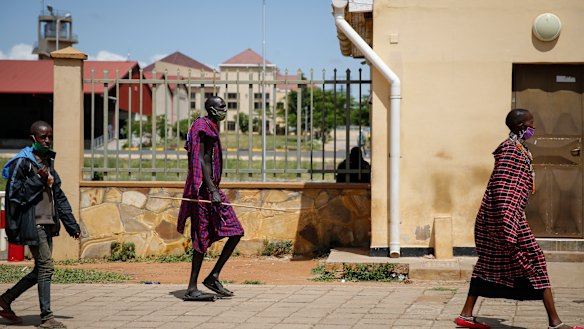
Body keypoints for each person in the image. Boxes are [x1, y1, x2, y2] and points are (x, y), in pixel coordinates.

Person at [455, 109, 583, 329]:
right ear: (521, 127)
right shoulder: (510, 151)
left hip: (506, 217)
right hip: (503, 218)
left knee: (487, 264)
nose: (534, 128)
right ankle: (555, 323)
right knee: (537, 260)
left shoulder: (520, 150)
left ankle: (466, 315)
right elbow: (502, 190)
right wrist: (508, 226)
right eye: (531, 124)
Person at [0, 121, 81, 329]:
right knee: (46, 267)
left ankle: (5, 300)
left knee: (40, 270)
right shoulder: (22, 163)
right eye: (43, 137)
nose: (47, 140)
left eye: (49, 137)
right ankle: (47, 318)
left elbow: (59, 196)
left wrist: (71, 225)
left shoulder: (48, 161)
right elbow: (14, 196)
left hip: (48, 223)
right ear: (33, 138)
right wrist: (38, 179)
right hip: (32, 223)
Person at [177, 96, 244, 301]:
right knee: (200, 238)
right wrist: (212, 190)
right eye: (222, 107)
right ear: (212, 110)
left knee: (236, 231)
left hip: (213, 189)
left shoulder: (212, 127)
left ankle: (213, 277)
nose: (225, 109)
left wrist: (215, 189)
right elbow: (201, 159)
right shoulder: (202, 126)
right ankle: (191, 287)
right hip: (202, 191)